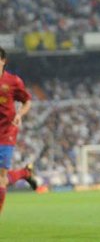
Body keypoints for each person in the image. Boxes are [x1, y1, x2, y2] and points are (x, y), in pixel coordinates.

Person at [0, 47, 38, 215]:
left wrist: (20, 115)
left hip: (6, 132)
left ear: (3, 61)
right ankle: (24, 172)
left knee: (1, 178)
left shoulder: (13, 81)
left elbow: (27, 101)